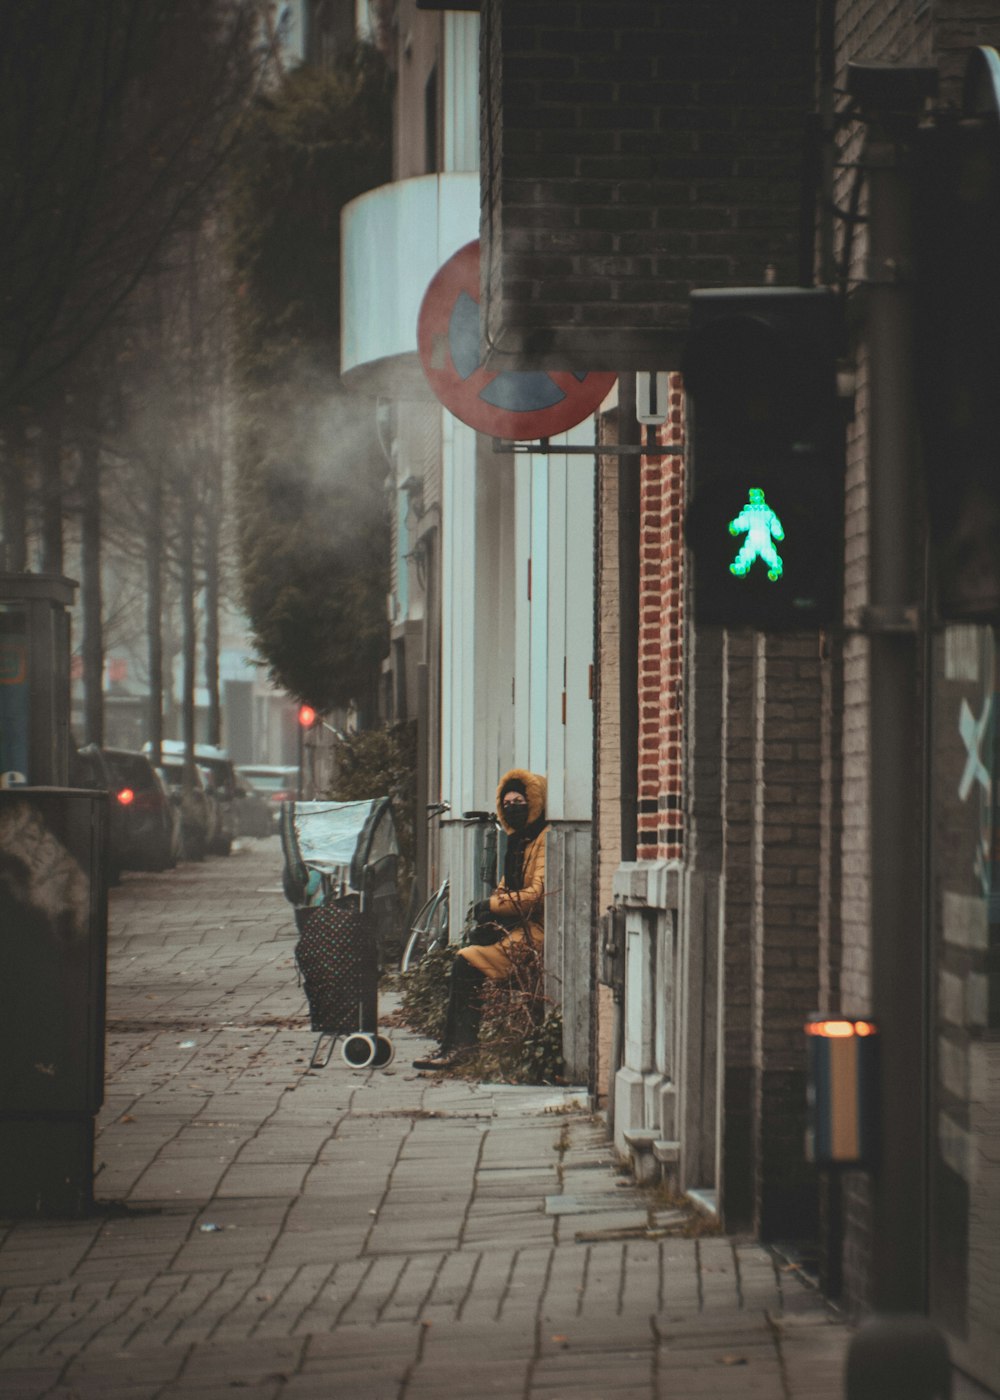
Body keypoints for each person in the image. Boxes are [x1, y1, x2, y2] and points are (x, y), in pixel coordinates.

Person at [413, 767, 548, 1071]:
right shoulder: (518, 843)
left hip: (537, 931)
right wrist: (491, 909)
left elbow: (537, 893)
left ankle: (460, 1047)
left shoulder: (542, 839)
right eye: (508, 804)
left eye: (519, 802)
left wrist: (493, 905)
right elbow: (505, 887)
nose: (513, 809)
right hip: (517, 929)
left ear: (534, 803)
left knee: (466, 962)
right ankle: (454, 1045)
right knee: (466, 957)